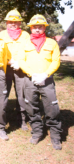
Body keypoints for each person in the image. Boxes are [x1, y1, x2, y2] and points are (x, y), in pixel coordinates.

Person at [18, 14, 62, 150]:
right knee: (31, 107)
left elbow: (56, 61)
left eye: (40, 27)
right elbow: (21, 61)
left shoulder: (52, 43)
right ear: (31, 28)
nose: (37, 29)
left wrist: (46, 74)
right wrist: (32, 74)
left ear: (44, 28)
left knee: (52, 108)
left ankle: (55, 136)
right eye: (35, 27)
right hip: (30, 80)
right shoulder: (25, 43)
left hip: (46, 80)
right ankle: (36, 132)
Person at [0, 9, 30, 130]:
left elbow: (28, 52)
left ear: (20, 23)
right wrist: (9, 61)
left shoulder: (25, 35)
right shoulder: (1, 35)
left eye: (16, 22)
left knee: (21, 95)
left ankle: (21, 120)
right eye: (10, 21)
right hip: (5, 69)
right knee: (3, 93)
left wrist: (19, 63)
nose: (13, 24)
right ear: (6, 23)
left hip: (21, 69)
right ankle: (2, 119)